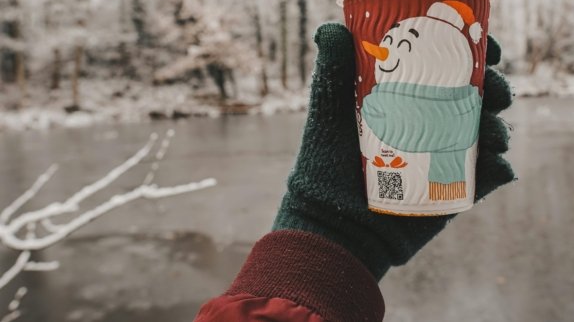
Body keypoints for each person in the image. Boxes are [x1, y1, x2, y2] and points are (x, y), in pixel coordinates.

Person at [193, 23, 515, 322]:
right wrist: (335, 234)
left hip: (425, 150)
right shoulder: (384, 103)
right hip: (400, 148)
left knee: (448, 159)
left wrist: (325, 233)